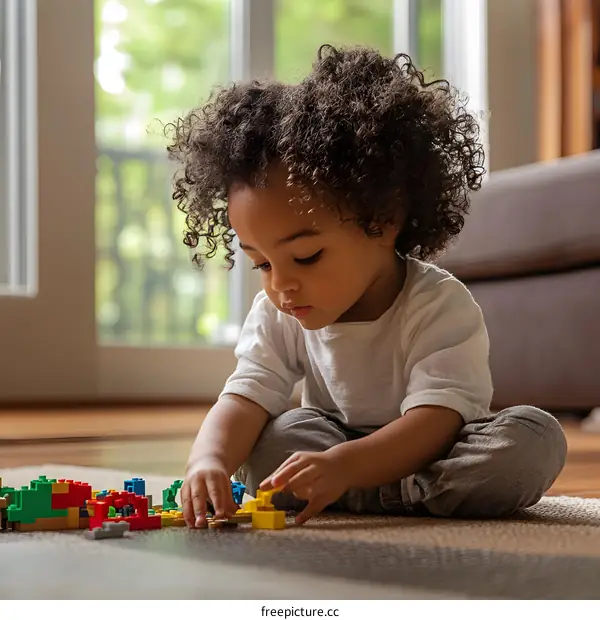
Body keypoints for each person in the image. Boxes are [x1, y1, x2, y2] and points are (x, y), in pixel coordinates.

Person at [166, 45, 567, 529]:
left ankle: (368, 491)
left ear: (384, 220)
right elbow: (245, 396)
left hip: (431, 451)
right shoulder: (278, 310)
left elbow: (437, 420)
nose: (281, 284)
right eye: (261, 265)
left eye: (306, 256)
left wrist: (347, 468)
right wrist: (206, 461)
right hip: (330, 444)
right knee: (277, 437)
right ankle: (399, 497)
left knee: (531, 441)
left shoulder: (439, 304)